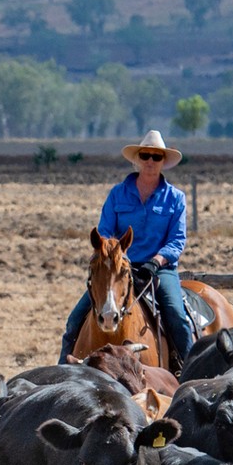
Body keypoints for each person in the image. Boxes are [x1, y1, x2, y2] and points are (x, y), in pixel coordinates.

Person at [58, 131, 194, 364]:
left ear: (163, 162)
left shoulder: (175, 198)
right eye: (146, 155)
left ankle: (188, 370)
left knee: (176, 314)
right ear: (138, 159)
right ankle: (62, 374)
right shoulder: (117, 194)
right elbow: (104, 232)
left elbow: (177, 240)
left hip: (159, 269)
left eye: (156, 157)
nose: (150, 161)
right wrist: (116, 256)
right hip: (116, 267)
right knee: (74, 319)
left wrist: (157, 260)